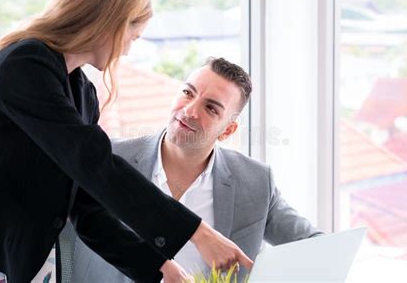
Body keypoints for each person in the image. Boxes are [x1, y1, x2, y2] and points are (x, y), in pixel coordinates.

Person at [0, 0, 253, 283]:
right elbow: (95, 163)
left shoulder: (82, 94)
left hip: (19, 265)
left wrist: (160, 268)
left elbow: (88, 210)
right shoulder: (24, 66)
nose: (127, 50)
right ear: (111, 20)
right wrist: (197, 232)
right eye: (133, 35)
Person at [71, 57, 323, 282]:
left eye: (211, 108)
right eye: (188, 93)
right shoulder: (110, 157)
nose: (190, 110)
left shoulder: (256, 181)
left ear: (227, 130)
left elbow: (317, 249)